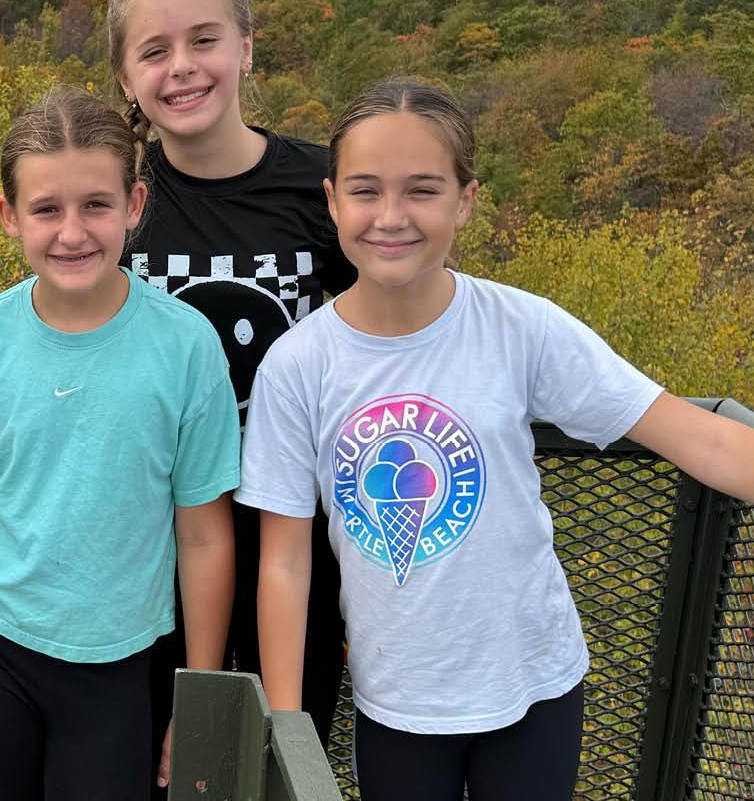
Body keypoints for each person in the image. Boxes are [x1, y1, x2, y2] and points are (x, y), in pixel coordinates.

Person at [241, 77, 754, 801]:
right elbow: (285, 563)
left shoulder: (520, 328)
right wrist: (288, 726)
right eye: (365, 191)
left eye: (422, 189)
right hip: (395, 704)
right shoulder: (298, 367)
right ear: (330, 201)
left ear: (466, 200)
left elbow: (696, 438)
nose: (391, 217)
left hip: (534, 685)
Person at [0, 87, 239, 800]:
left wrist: (196, 698)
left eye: (95, 204)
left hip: (123, 660)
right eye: (46, 209)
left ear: (135, 205)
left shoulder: (186, 346)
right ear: (8, 217)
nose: (72, 232)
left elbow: (205, 536)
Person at [108, 0, 353, 789]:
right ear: (127, 77)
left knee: (285, 758)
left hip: (298, 537)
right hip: (154, 544)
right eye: (154, 51)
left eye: (204, 40)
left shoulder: (321, 188)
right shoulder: (118, 198)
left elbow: (387, 341)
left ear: (247, 46)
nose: (182, 68)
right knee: (160, 766)